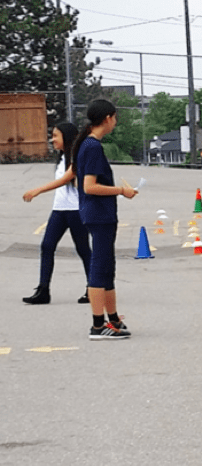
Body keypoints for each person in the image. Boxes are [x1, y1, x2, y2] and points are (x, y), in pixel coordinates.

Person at [72, 99, 138, 340]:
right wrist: (121, 190)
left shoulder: (88, 145)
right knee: (99, 268)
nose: (116, 122)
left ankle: (113, 318)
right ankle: (98, 325)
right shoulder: (92, 147)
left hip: (100, 214)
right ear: (108, 118)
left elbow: (79, 182)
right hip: (99, 215)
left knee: (107, 267)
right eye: (115, 117)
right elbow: (88, 186)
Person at [21, 122, 92, 305]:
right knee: (47, 246)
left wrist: (37, 190)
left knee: (83, 249)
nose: (52, 140)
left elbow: (64, 180)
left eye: (55, 136)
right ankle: (43, 290)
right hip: (59, 210)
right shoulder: (61, 159)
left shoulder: (77, 157)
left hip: (76, 211)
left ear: (66, 138)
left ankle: (93, 288)